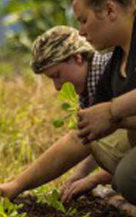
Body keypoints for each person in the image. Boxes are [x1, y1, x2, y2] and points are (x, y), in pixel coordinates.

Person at [0, 0, 136, 205]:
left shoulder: (106, 63)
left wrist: (114, 112)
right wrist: (15, 186)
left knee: (127, 176)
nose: (80, 32)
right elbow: (80, 138)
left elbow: (107, 119)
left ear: (110, 10)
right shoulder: (115, 62)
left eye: (83, 20)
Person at [30, 25, 111, 202]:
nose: (57, 87)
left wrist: (96, 179)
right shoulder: (88, 86)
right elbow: (101, 142)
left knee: (126, 180)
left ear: (78, 58)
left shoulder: (109, 74)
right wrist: (79, 175)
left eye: (57, 75)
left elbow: (124, 146)